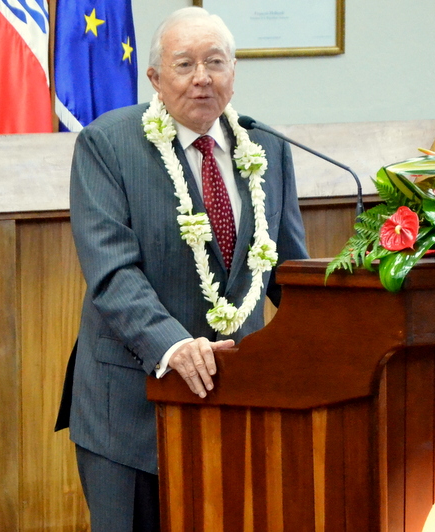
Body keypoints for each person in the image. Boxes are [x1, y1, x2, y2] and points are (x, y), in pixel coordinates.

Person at [62, 6, 308, 531]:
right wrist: (172, 345)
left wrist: (337, 328)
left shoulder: (267, 147)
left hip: (235, 406)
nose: (202, 78)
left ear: (234, 73)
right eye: (184, 64)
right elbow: (112, 271)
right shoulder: (108, 144)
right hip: (130, 413)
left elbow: (289, 273)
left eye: (215, 62)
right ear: (155, 78)